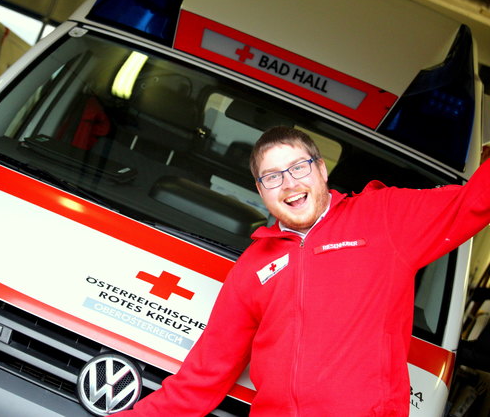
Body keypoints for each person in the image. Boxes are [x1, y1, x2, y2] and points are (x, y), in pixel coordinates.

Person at [117, 126, 490, 416]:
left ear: (322, 170)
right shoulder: (253, 266)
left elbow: (475, 201)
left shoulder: (384, 217)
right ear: (262, 192)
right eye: (273, 177)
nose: (290, 184)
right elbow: (200, 379)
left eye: (299, 168)